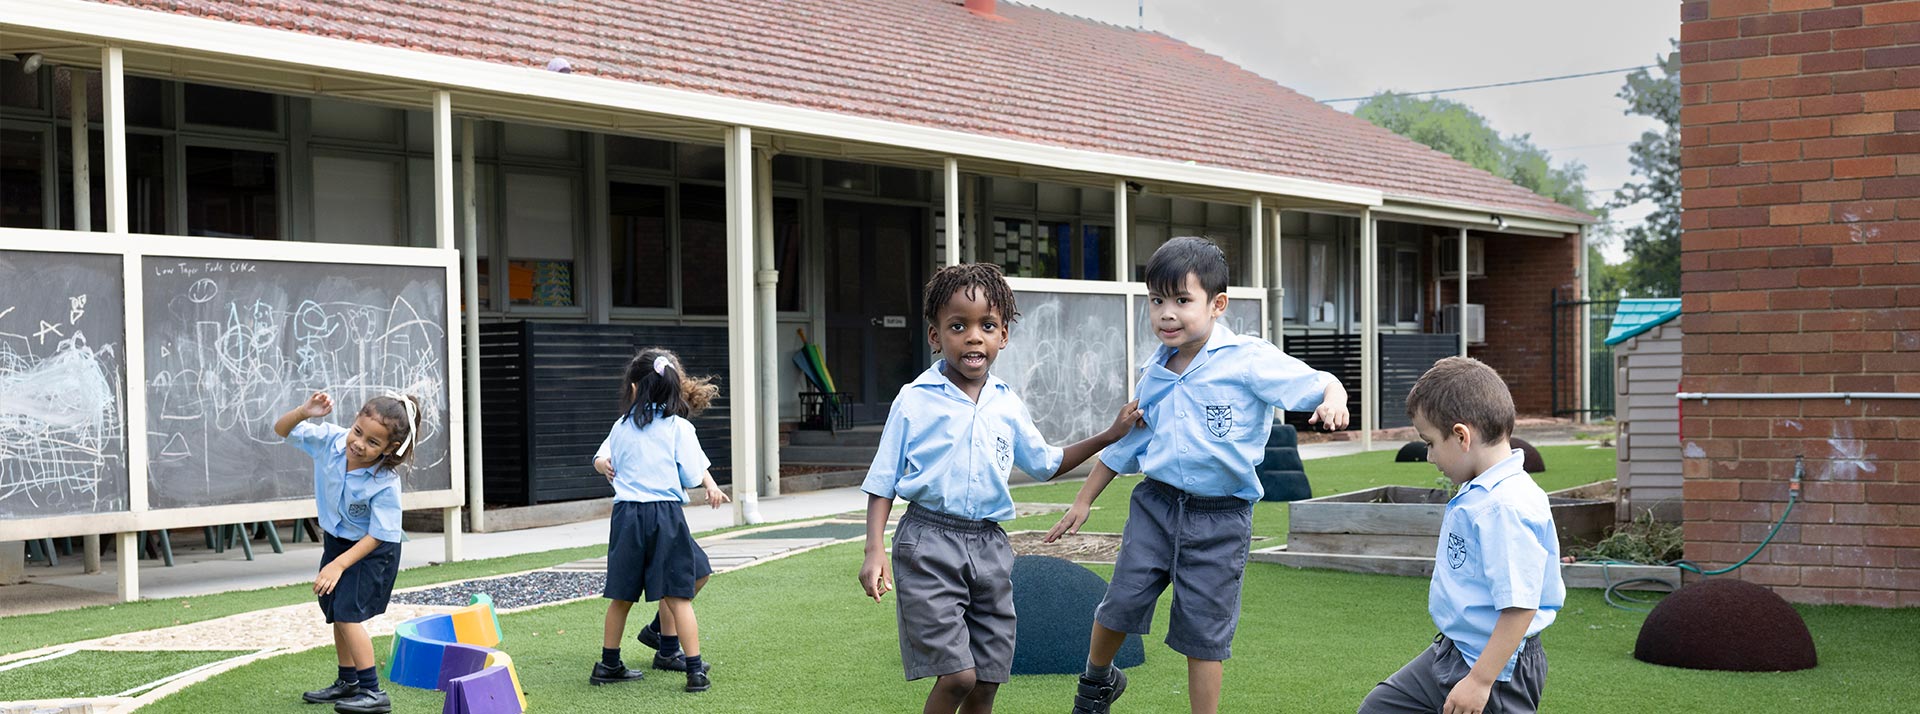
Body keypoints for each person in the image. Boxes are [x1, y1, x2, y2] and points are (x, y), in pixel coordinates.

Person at [1045, 236, 1349, 714]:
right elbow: (1128, 445)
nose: (1167, 313)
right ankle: (1096, 682)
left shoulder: (1248, 359)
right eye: (1156, 301)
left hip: (1221, 519)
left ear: (1217, 304)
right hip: (1156, 506)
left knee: (1203, 633)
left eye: (1182, 301)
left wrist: (1335, 400)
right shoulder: (1155, 372)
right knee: (1120, 601)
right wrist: (1083, 499)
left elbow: (1322, 382)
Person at [860, 263, 1142, 714]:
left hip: (991, 546)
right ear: (935, 337)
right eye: (958, 326)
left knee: (987, 679)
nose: (974, 337)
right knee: (957, 676)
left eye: (987, 326)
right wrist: (874, 550)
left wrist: (1109, 435)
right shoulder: (914, 399)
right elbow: (883, 480)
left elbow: (1047, 463)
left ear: (1003, 336)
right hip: (928, 543)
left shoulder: (1007, 402)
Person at [1358, 356, 1562, 714]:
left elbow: (1520, 607)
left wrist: (1481, 681)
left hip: (1497, 666)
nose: (1428, 456)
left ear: (1461, 436)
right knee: (1382, 708)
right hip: (1454, 648)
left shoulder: (1504, 506)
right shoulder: (1481, 490)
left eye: (1430, 443)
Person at [590, 348, 730, 692]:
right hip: (665, 515)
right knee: (678, 594)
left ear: (635, 389)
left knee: (621, 596)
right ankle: (694, 671)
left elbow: (606, 459)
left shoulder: (620, 427)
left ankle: (609, 664)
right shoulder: (678, 427)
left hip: (625, 516)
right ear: (672, 389)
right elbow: (692, 473)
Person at [275, 391, 423, 714]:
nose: (359, 444)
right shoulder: (331, 441)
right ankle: (348, 682)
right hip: (338, 542)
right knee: (334, 608)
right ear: (353, 421)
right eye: (358, 431)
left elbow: (381, 534)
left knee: (347, 612)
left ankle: (373, 692)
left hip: (371, 551)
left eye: (373, 442)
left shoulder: (385, 482)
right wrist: (304, 411)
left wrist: (339, 566)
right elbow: (282, 430)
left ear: (389, 449)